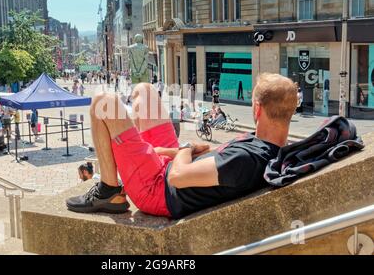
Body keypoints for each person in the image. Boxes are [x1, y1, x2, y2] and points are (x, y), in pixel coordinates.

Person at [66, 73, 298, 219]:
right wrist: (172, 151)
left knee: (103, 102)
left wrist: (185, 147)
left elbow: (178, 177)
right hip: (170, 168)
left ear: (256, 109)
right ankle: (132, 163)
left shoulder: (248, 158)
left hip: (158, 190)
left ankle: (108, 190)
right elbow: (213, 155)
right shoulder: (268, 146)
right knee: (144, 91)